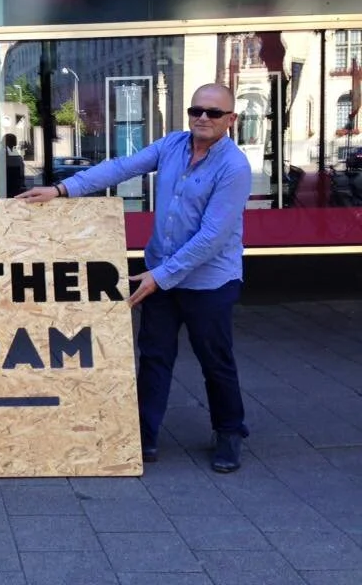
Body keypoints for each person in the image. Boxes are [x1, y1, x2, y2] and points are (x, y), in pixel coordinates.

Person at [17, 83, 251, 474]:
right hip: (158, 274)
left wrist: (160, 276)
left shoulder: (235, 168)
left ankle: (229, 431)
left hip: (208, 282)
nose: (202, 118)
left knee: (215, 360)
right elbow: (121, 167)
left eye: (213, 113)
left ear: (231, 119)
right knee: (154, 357)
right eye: (196, 110)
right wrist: (62, 189)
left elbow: (212, 237)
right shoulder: (172, 145)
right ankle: (143, 435)